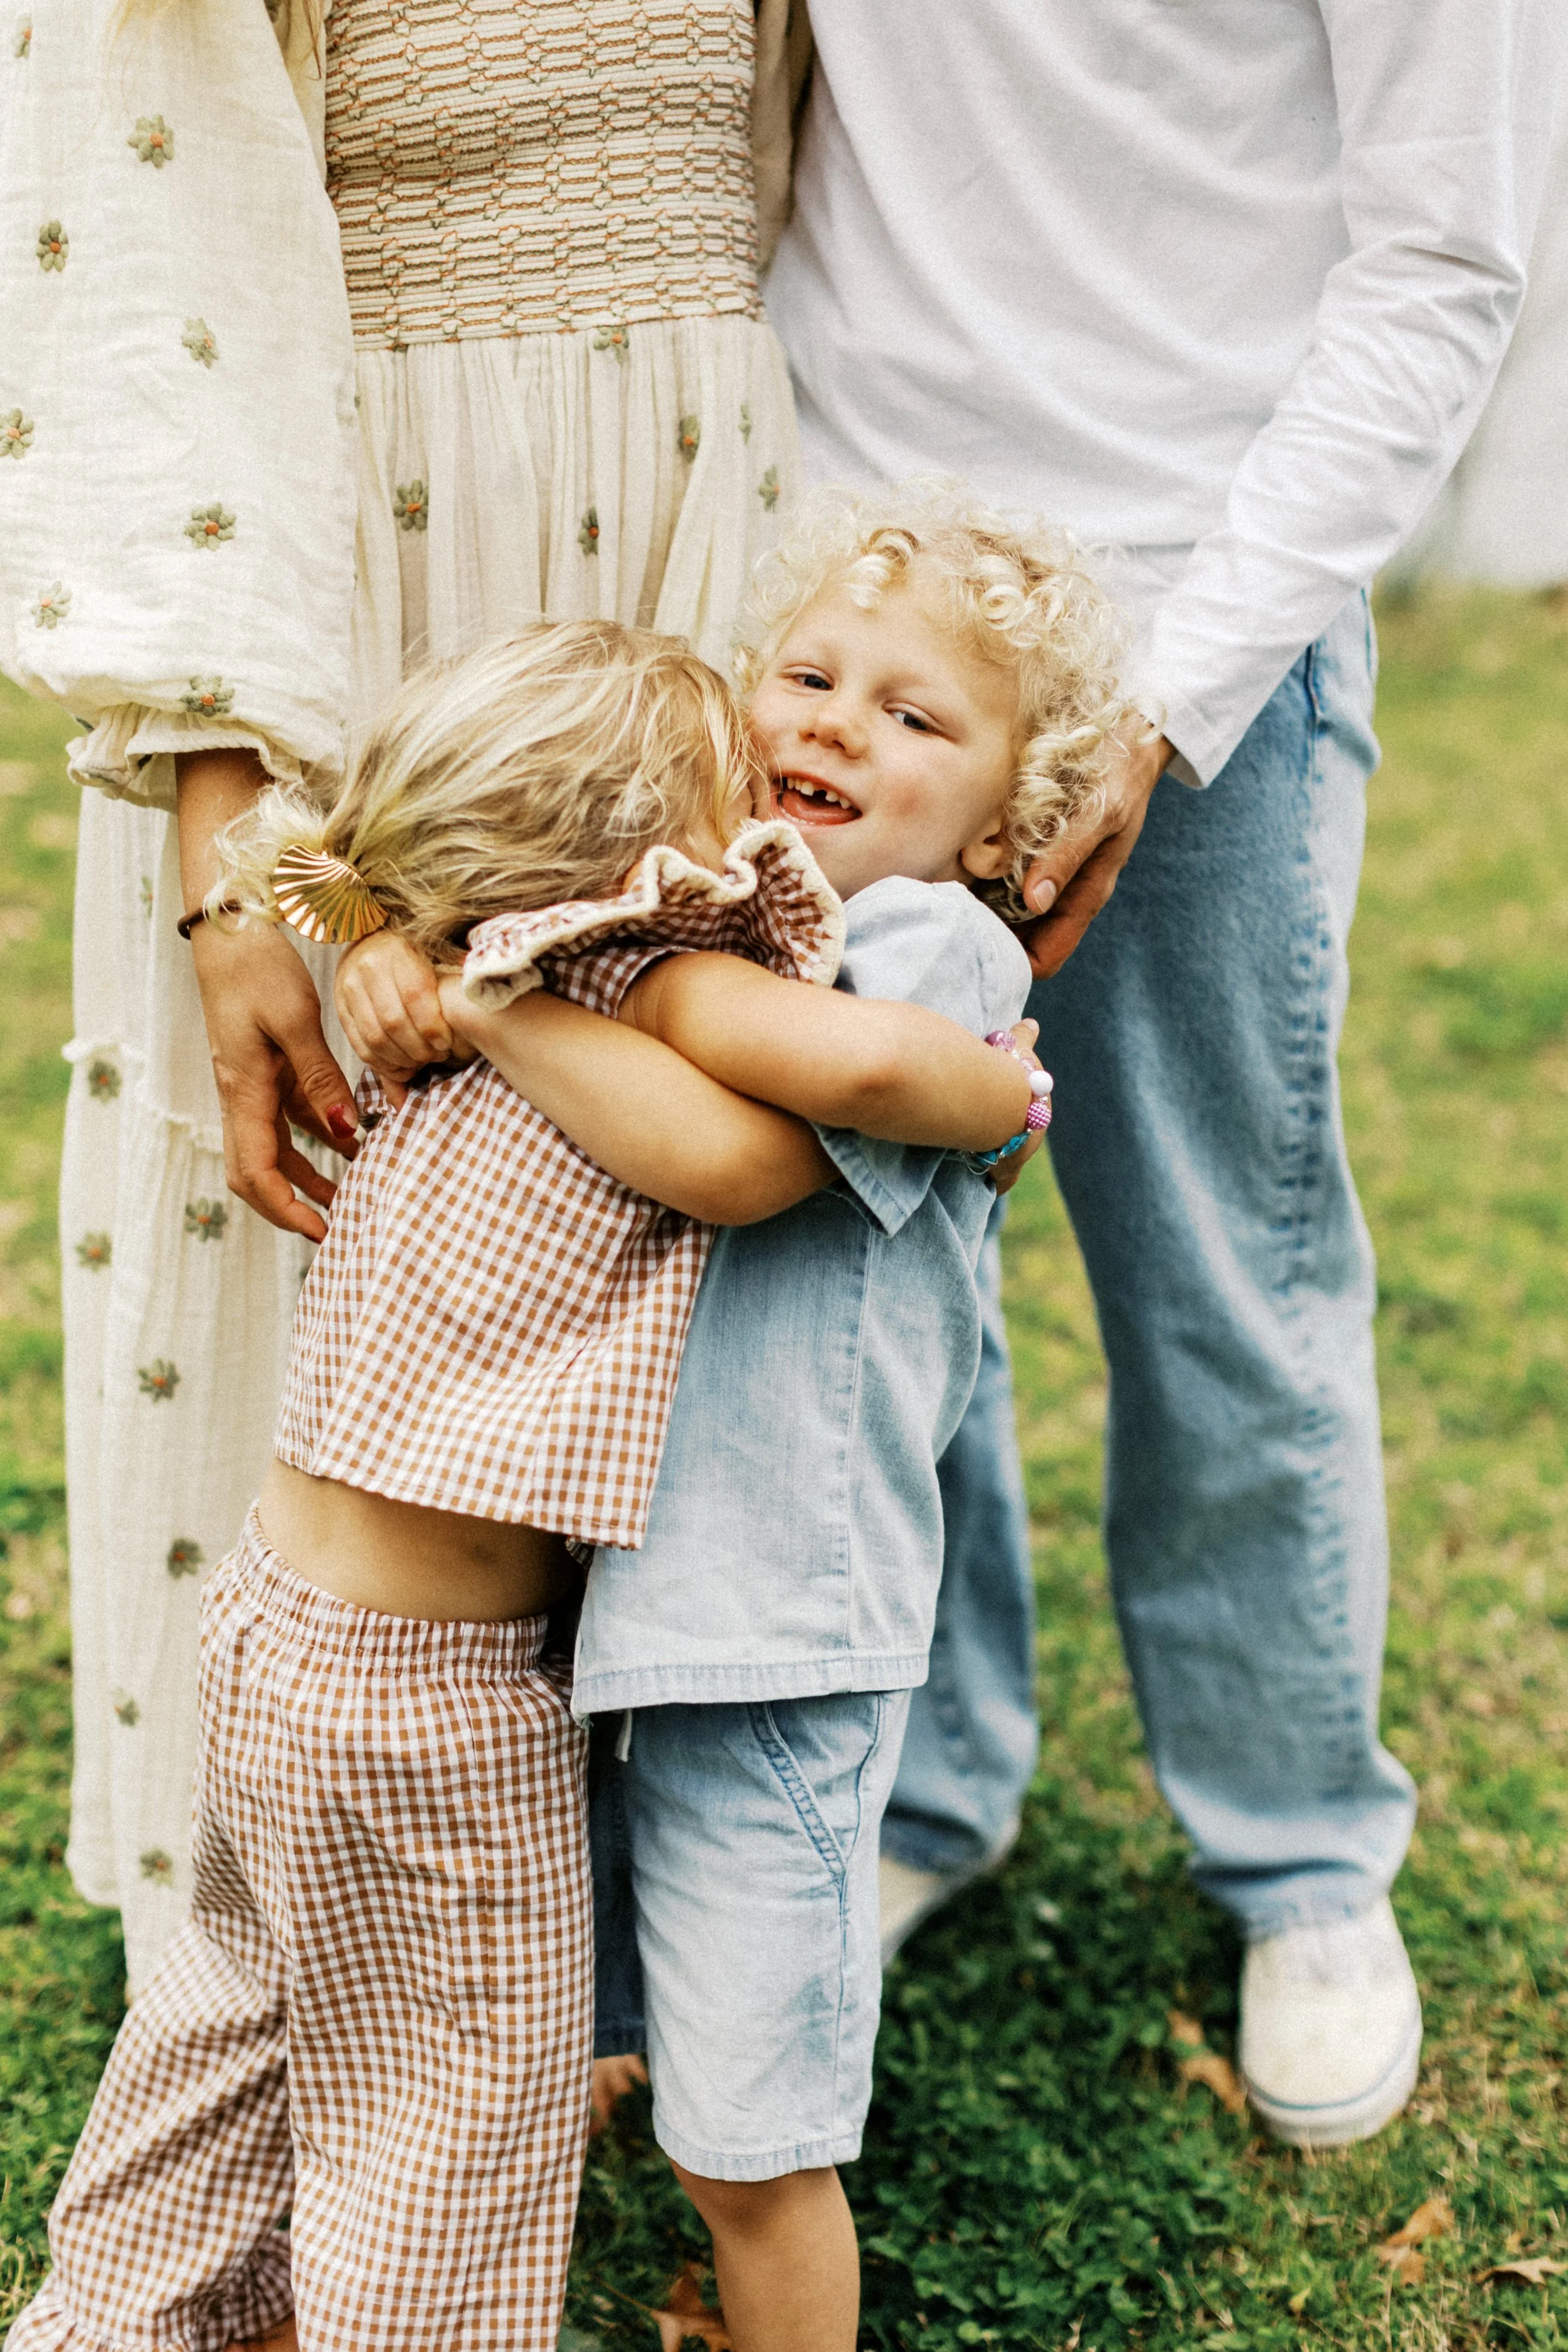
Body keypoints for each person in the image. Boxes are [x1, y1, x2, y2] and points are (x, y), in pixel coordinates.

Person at [6, 620, 1047, 2352]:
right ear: (649, 852)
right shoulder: (624, 976)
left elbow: (294, 843)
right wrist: (1001, 1093)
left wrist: (385, 931)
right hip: (430, 1698)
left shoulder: (422, 945)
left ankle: (102, 2324)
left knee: (227, 2019)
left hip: (268, 1635)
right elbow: (750, 1160)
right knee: (459, 2115)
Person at [762, 0, 1567, 2146]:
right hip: (849, 611)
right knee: (860, 1246)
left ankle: (1300, 1854)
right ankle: (928, 1775)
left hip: (1195, 604)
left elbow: (1441, 264)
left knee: (1221, 1255)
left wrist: (1172, 695)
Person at [0, 0, 803, 1991]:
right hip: (348, 617)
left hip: (694, 561)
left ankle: (602, 1927)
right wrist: (241, 850)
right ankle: (267, 1955)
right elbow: (142, 261)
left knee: (639, 1213)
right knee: (329, 1195)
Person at [346, 488, 1128, 2352]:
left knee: (756, 2131)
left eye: (917, 715)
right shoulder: (712, 919)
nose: (838, 723)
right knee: (585, 1976)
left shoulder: (935, 954)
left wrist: (523, 970)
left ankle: (768, 2283)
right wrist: (433, 942)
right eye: (808, 675)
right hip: (607, 1592)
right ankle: (607, 2118)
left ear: (1011, 824)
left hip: (773, 1619)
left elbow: (829, 1075)